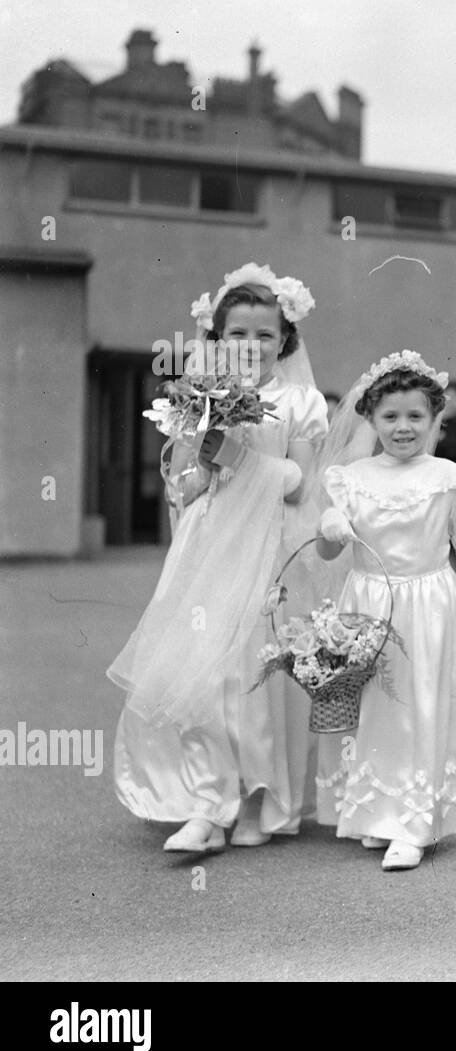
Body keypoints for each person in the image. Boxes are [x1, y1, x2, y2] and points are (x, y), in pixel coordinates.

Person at [110, 263, 326, 853]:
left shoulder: (301, 402)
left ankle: (260, 796)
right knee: (200, 670)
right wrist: (204, 460)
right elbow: (183, 485)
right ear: (217, 339)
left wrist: (240, 454)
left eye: (264, 335)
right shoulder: (200, 398)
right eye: (238, 334)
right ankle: (207, 803)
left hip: (267, 544)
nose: (251, 347)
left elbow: (300, 485)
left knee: (250, 673)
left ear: (285, 340)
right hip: (208, 542)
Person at [312, 351, 456, 871]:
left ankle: (414, 821)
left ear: (437, 418)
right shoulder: (352, 478)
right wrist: (328, 528)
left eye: (416, 416)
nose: (403, 427)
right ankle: (376, 811)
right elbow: (328, 553)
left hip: (428, 603)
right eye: (390, 416)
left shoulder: (452, 478)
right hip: (366, 600)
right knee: (372, 707)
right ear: (370, 418)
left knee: (418, 707)